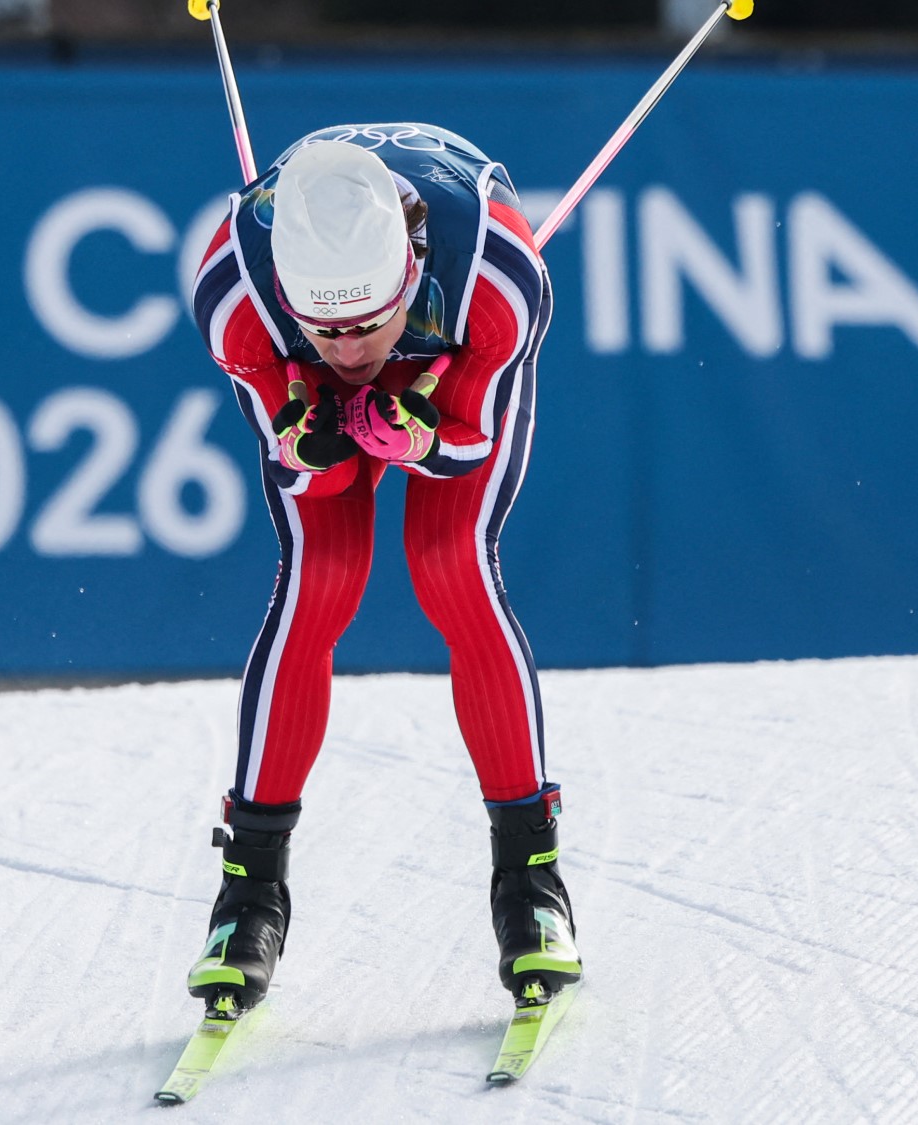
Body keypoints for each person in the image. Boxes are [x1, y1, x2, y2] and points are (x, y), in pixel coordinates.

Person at [184, 125, 579, 1016]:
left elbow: (470, 438)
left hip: (451, 362)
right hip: (302, 365)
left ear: (409, 276)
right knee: (320, 580)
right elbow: (300, 471)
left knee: (452, 566)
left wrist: (423, 436)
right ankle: (248, 897)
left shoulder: (497, 279)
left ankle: (533, 886)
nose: (352, 351)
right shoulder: (235, 297)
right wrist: (312, 436)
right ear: (291, 297)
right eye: (327, 328)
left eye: (369, 324)